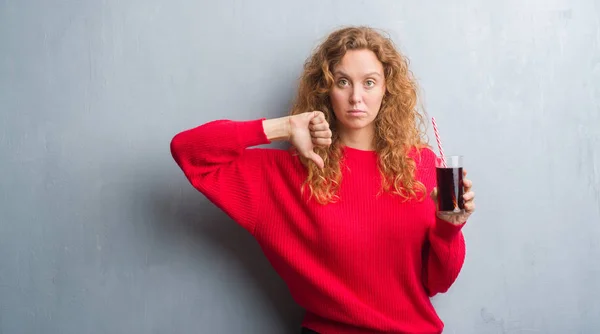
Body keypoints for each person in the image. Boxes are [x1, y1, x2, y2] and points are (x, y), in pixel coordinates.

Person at [170, 26, 476, 334]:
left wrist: (449, 229)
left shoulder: (422, 166)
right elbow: (189, 151)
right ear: (325, 89)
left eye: (369, 82)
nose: (356, 97)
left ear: (387, 89)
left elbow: (438, 283)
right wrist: (283, 127)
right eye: (343, 82)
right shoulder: (291, 174)